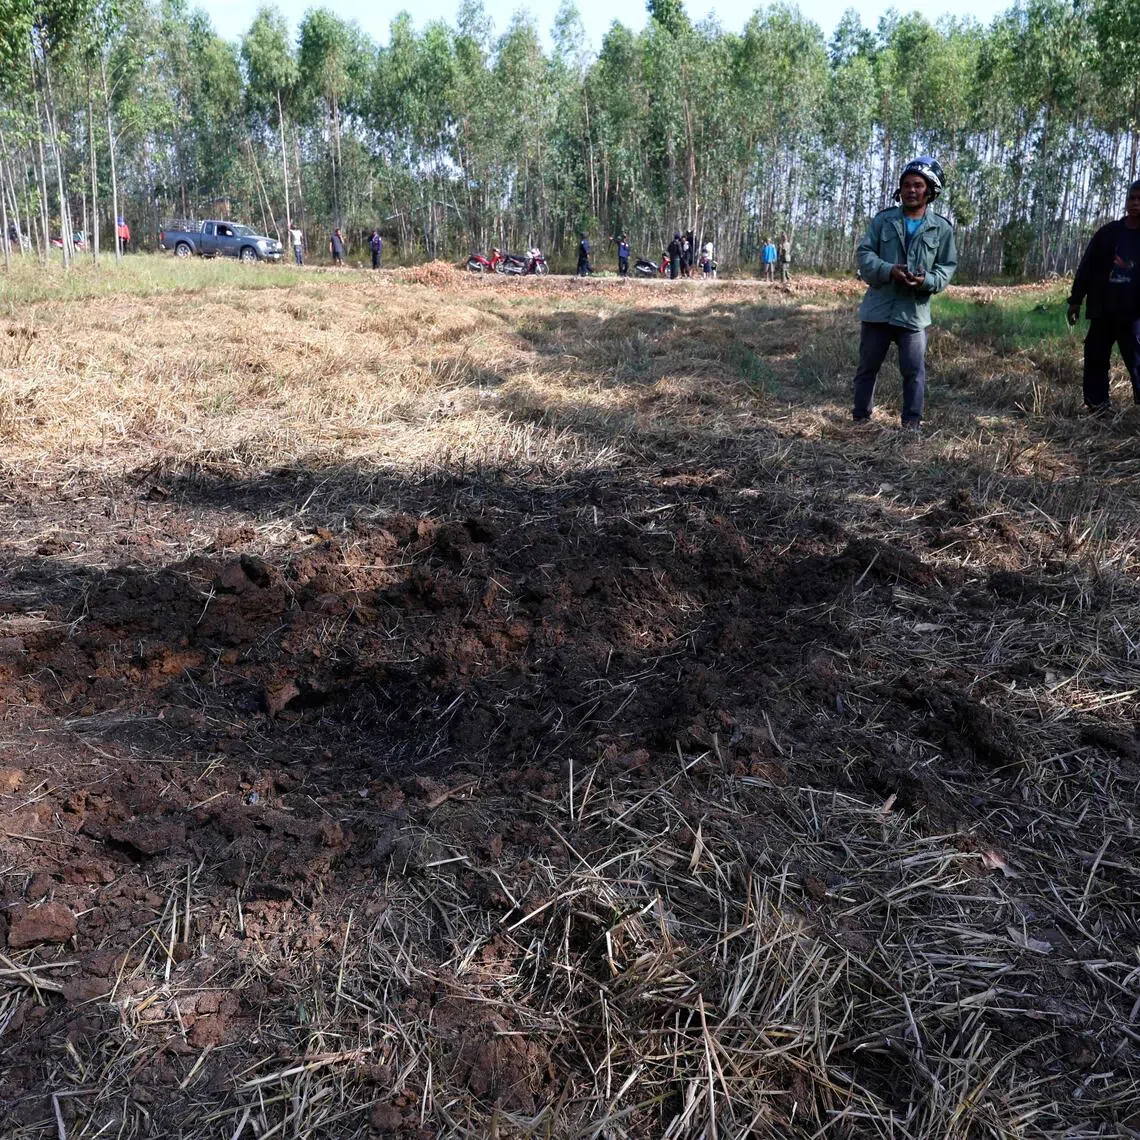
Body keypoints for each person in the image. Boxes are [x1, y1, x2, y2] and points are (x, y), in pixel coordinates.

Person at [852, 156, 957, 431]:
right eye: (907, 185)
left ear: (930, 192)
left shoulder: (942, 229)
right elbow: (864, 255)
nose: (911, 190)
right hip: (878, 310)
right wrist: (888, 270)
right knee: (867, 368)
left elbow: (947, 268)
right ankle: (860, 419)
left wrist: (926, 280)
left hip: (913, 314)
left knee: (914, 372)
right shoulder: (883, 221)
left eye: (918, 185)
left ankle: (911, 424)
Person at [1066, 180, 1140, 415]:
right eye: (1132, 198)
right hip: (1104, 310)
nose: (1135, 203)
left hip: (1135, 314)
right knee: (1095, 357)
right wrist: (1076, 299)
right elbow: (1087, 266)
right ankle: (1098, 407)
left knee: (1138, 361)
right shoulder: (1108, 233)